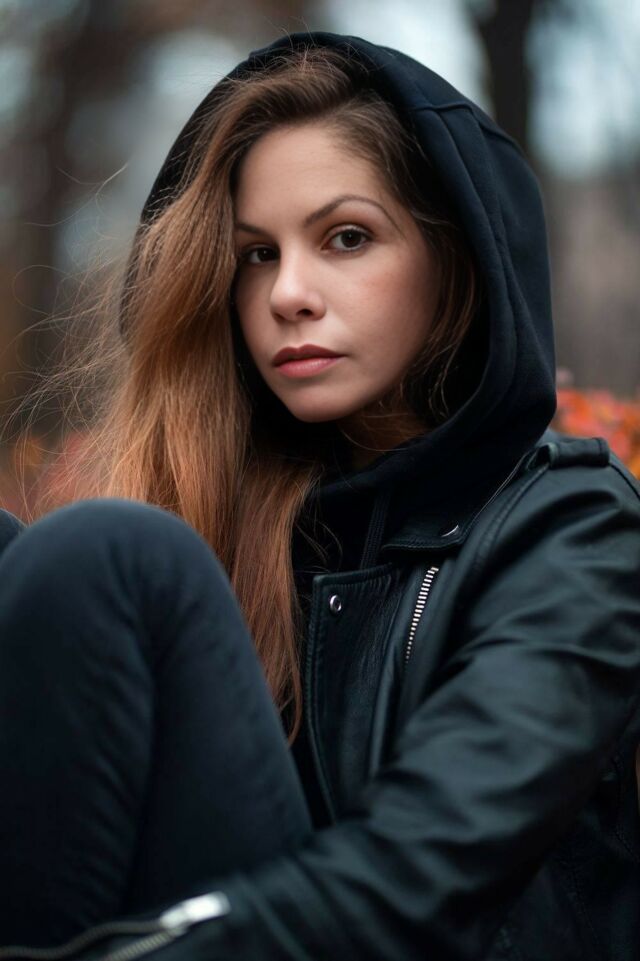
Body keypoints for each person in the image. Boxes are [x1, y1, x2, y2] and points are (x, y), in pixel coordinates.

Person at [0, 30, 639, 961]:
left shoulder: (572, 528)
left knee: (117, 556)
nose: (287, 294)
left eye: (346, 238)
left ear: (456, 259)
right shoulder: (239, 513)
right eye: (257, 253)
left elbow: (416, 877)